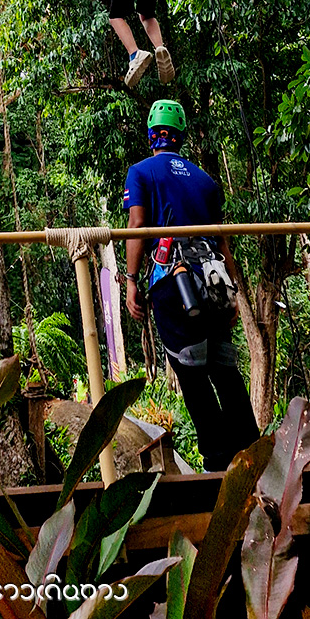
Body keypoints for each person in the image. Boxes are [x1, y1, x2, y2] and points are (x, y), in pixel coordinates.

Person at [122, 99, 260, 471]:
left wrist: (131, 281)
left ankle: (218, 462)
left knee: (192, 374)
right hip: (215, 279)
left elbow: (137, 226)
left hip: (173, 280)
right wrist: (233, 294)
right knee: (225, 371)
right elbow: (222, 241)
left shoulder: (140, 172)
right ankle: (253, 453)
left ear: (151, 134)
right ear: (180, 136)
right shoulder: (205, 181)